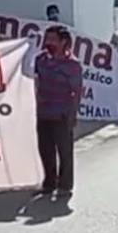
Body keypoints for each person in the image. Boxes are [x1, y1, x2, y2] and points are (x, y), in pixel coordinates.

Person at [34, 27, 82, 196]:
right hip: (43, 112)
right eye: (47, 39)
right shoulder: (40, 60)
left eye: (53, 40)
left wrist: (73, 114)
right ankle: (49, 183)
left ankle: (65, 185)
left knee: (64, 151)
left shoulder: (72, 65)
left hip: (62, 114)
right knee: (45, 150)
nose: (48, 43)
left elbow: (76, 91)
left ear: (63, 42)